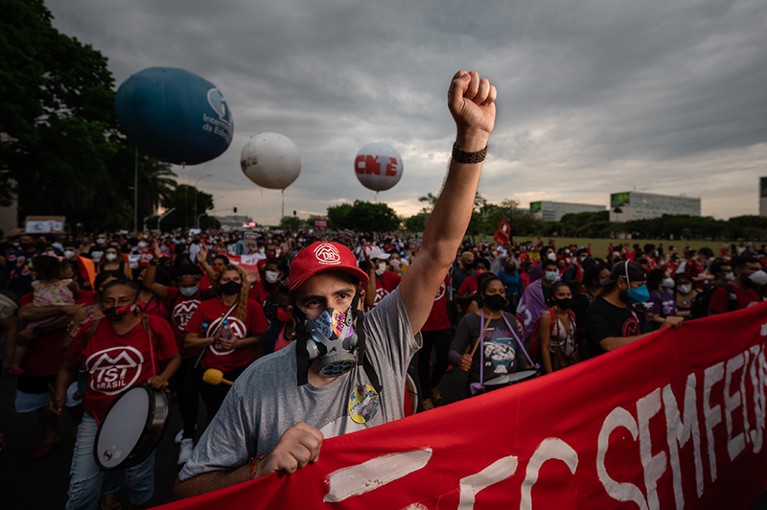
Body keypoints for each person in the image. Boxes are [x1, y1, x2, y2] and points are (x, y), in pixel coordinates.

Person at [173, 69, 497, 497]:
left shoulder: (383, 338)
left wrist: (471, 140)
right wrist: (260, 467)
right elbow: (187, 490)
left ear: (361, 299)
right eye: (315, 303)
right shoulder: (257, 384)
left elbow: (438, 251)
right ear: (292, 310)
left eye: (343, 296)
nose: (333, 314)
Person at [51, 279, 180, 510]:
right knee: (81, 489)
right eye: (109, 301)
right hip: (95, 416)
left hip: (139, 418)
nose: (115, 306)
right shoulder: (89, 331)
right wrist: (60, 392)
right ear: (101, 302)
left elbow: (174, 357)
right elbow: (67, 366)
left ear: (136, 301)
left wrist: (164, 376)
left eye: (123, 301)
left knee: (137, 478)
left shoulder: (155, 325)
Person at [448, 276, 529, 396]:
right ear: (482, 294)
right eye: (492, 291)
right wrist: (460, 360)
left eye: (501, 292)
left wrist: (527, 369)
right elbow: (453, 351)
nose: (498, 295)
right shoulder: (470, 320)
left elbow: (518, 351)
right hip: (483, 389)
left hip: (511, 386)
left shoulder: (510, 319)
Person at [586, 261, 683, 357]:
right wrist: (657, 334)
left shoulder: (628, 305)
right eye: (639, 285)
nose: (643, 290)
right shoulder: (597, 310)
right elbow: (609, 345)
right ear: (621, 283)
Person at [10, 255, 78, 376]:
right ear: (60, 270)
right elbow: (24, 314)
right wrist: (63, 307)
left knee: (23, 341)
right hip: (61, 318)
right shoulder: (69, 283)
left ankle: (15, 365)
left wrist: (36, 330)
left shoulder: (36, 285)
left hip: (40, 319)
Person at [539, 281, 579, 373]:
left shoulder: (572, 314)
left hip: (571, 361)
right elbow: (544, 347)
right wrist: (550, 374)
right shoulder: (547, 317)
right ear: (553, 297)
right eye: (561, 295)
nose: (566, 297)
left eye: (568, 294)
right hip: (554, 362)